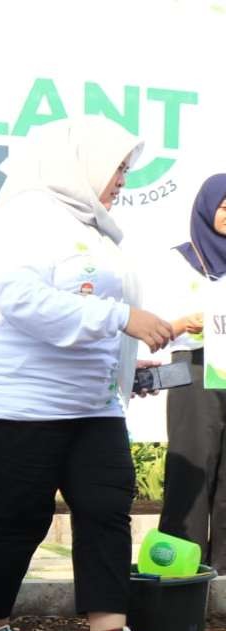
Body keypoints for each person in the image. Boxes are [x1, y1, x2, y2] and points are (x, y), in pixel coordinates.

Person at [0, 117, 187, 631]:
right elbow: (19, 298)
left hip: (91, 402)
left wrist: (128, 369)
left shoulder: (97, 229)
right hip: (18, 401)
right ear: (79, 162)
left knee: (107, 507)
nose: (122, 181)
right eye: (117, 168)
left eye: (128, 171)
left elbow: (99, 321)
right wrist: (120, 317)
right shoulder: (30, 215)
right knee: (18, 517)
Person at [149, 174, 226, 570]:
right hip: (194, 370)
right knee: (192, 471)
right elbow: (155, 324)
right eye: (224, 205)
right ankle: (179, 574)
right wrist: (184, 322)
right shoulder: (179, 261)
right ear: (206, 207)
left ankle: (223, 579)